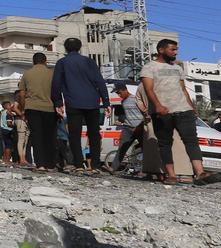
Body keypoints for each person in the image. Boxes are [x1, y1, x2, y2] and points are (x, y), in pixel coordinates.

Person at [141, 39, 212, 185]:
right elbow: (148, 89)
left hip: (183, 110)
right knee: (165, 143)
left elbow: (183, 89)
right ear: (161, 50)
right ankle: (171, 175)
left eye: (176, 50)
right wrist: (158, 106)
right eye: (172, 49)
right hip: (162, 112)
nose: (175, 52)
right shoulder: (149, 67)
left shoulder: (178, 68)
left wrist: (191, 107)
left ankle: (200, 173)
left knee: (191, 140)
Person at [51, 37, 110, 172]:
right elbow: (99, 81)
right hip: (92, 102)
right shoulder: (90, 61)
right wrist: (106, 101)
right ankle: (95, 165)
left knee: (74, 134)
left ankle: (78, 164)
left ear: (65, 48)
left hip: (73, 102)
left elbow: (56, 84)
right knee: (94, 134)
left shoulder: (62, 63)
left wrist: (58, 102)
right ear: (80, 47)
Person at [18, 52, 58, 171]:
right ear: (45, 61)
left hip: (32, 108)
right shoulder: (52, 73)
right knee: (49, 136)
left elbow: (21, 94)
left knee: (37, 137)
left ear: (33, 61)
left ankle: (40, 164)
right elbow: (56, 91)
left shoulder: (27, 74)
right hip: (49, 108)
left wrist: (23, 108)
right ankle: (50, 164)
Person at [111, 84, 147, 172]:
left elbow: (144, 112)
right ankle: (113, 168)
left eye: (119, 93)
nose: (119, 95)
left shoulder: (136, 99)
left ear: (125, 90)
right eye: (117, 94)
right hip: (127, 128)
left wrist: (141, 125)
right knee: (122, 148)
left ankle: (147, 170)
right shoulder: (123, 102)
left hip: (139, 128)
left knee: (145, 149)